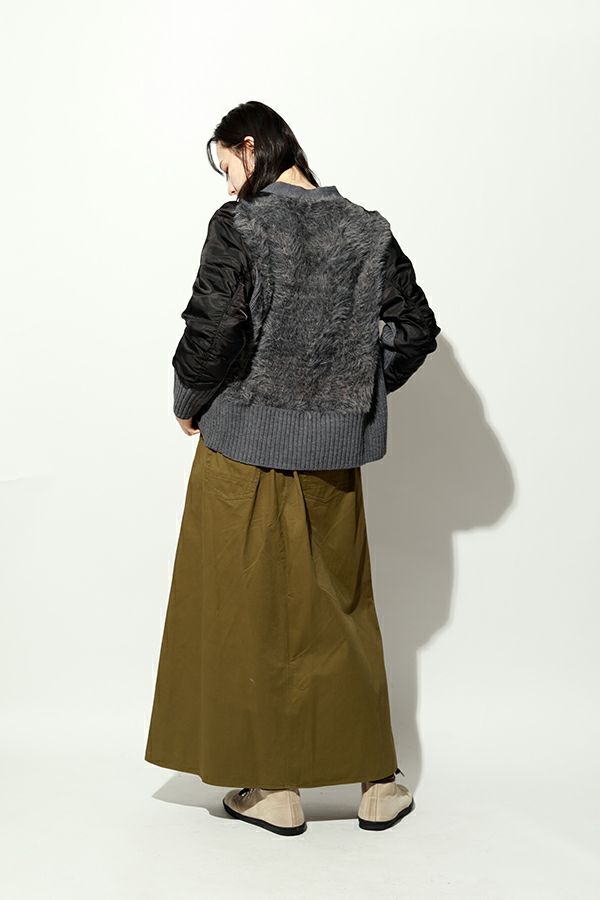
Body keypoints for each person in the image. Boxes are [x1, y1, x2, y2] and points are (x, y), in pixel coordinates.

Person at [144, 100, 441, 837]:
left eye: (227, 166)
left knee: (246, 614)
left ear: (251, 146)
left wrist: (186, 401)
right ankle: (379, 785)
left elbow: (215, 326)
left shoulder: (241, 225)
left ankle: (274, 790)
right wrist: (353, 388)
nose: (228, 185)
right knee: (340, 610)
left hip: (241, 451)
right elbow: (414, 329)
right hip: (332, 459)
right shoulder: (367, 228)